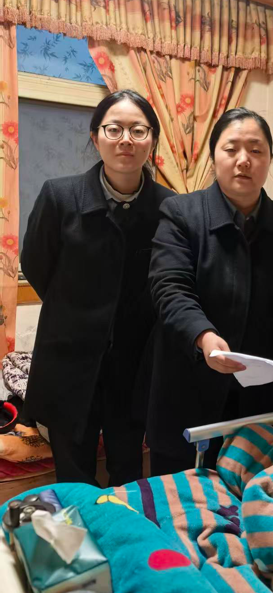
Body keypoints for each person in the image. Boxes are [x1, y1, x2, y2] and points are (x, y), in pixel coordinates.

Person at [21, 89, 176, 485]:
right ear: (95, 136)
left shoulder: (170, 208)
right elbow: (36, 265)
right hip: (68, 361)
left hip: (135, 364)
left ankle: (122, 526)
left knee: (128, 472)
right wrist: (78, 313)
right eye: (114, 129)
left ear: (153, 140)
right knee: (73, 479)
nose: (126, 140)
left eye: (138, 130)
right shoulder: (60, 196)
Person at [147, 108, 273, 473]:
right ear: (213, 157)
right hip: (187, 388)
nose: (243, 160)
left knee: (253, 491)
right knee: (178, 494)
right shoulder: (180, 213)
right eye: (231, 148)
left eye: (256, 149)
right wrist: (204, 337)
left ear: (269, 159)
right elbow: (170, 288)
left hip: (257, 395)